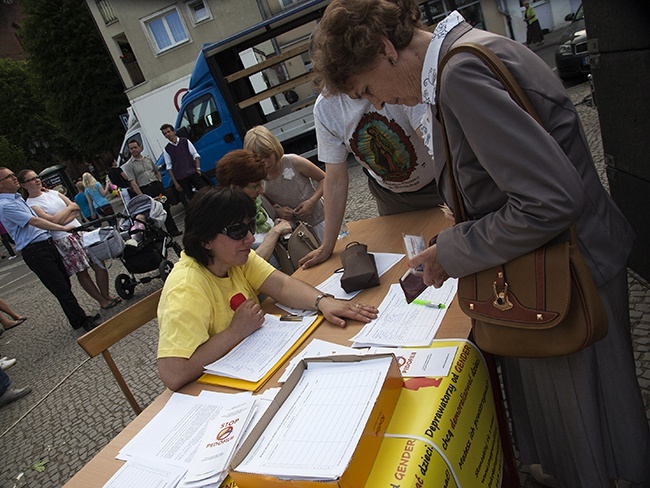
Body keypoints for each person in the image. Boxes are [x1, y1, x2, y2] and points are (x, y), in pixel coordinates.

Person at [309, 2, 650, 487]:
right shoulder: (468, 49)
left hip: (570, 274)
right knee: (609, 415)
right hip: (581, 259)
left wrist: (453, 250)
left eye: (367, 89)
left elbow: (548, 202)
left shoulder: (460, 74)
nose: (378, 105)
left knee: (591, 430)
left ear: (386, 49)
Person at [157, 186, 378, 391]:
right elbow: (173, 373)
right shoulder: (186, 288)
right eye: (237, 231)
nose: (251, 238)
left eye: (250, 226)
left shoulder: (230, 259)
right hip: (219, 390)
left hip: (253, 367)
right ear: (206, 240)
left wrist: (323, 302)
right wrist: (235, 331)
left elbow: (281, 285)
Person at [300, 93, 443, 268]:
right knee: (408, 262)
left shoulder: (391, 78)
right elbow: (335, 180)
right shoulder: (325, 108)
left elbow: (436, 146)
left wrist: (456, 195)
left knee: (446, 252)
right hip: (391, 197)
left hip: (437, 186)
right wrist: (327, 245)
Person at [0, 167, 99, 331]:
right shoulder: (6, 205)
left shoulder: (17, 198)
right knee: (59, 286)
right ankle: (83, 321)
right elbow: (35, 221)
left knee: (64, 283)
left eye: (13, 174)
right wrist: (62, 229)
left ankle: (75, 319)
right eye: (9, 177)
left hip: (46, 243)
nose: (13, 177)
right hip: (34, 250)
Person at [19, 170, 120, 310]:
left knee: (99, 263)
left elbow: (75, 207)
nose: (37, 180)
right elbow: (52, 221)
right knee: (82, 271)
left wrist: (61, 219)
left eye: (37, 177)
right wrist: (65, 215)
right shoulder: (31, 203)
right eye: (31, 179)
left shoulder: (52, 193)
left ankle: (106, 294)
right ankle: (101, 300)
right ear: (24, 185)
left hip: (79, 231)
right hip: (63, 238)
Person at [243, 125, 326, 241]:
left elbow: (325, 179)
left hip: (321, 219)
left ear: (274, 148)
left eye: (267, 156)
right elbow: (268, 204)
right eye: (258, 160)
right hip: (298, 232)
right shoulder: (259, 179)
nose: (265, 163)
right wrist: (278, 211)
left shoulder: (293, 161)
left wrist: (311, 202)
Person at [215, 149, 293, 264]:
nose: (261, 190)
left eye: (261, 184)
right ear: (234, 187)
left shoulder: (257, 203)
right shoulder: (227, 223)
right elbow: (249, 264)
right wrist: (274, 232)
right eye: (255, 186)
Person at [121, 139, 182, 236]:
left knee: (165, 207)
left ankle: (173, 230)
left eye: (135, 147)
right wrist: (142, 196)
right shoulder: (129, 165)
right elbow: (133, 182)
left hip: (156, 186)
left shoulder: (147, 159)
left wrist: (159, 182)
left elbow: (156, 171)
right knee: (152, 213)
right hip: (145, 189)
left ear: (140, 148)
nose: (133, 150)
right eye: (131, 149)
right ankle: (159, 234)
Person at [160, 123, 208, 201]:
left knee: (204, 191)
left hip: (192, 172)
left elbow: (195, 155)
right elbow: (169, 167)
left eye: (168, 132)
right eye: (165, 134)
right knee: (191, 198)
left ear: (173, 132)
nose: (167, 134)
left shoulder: (185, 141)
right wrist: (175, 183)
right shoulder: (167, 149)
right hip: (181, 178)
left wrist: (198, 169)